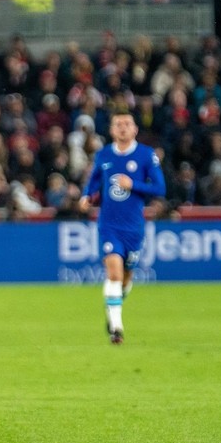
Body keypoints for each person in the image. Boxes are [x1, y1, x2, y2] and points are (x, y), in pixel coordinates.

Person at [77, 111, 166, 344]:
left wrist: (132, 184)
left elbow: (159, 188)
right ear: (112, 130)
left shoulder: (146, 155)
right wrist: (87, 196)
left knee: (126, 278)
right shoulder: (104, 155)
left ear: (135, 129)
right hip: (108, 225)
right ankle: (117, 327)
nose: (123, 128)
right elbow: (95, 181)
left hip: (134, 227)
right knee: (114, 273)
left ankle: (112, 308)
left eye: (127, 124)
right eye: (118, 124)